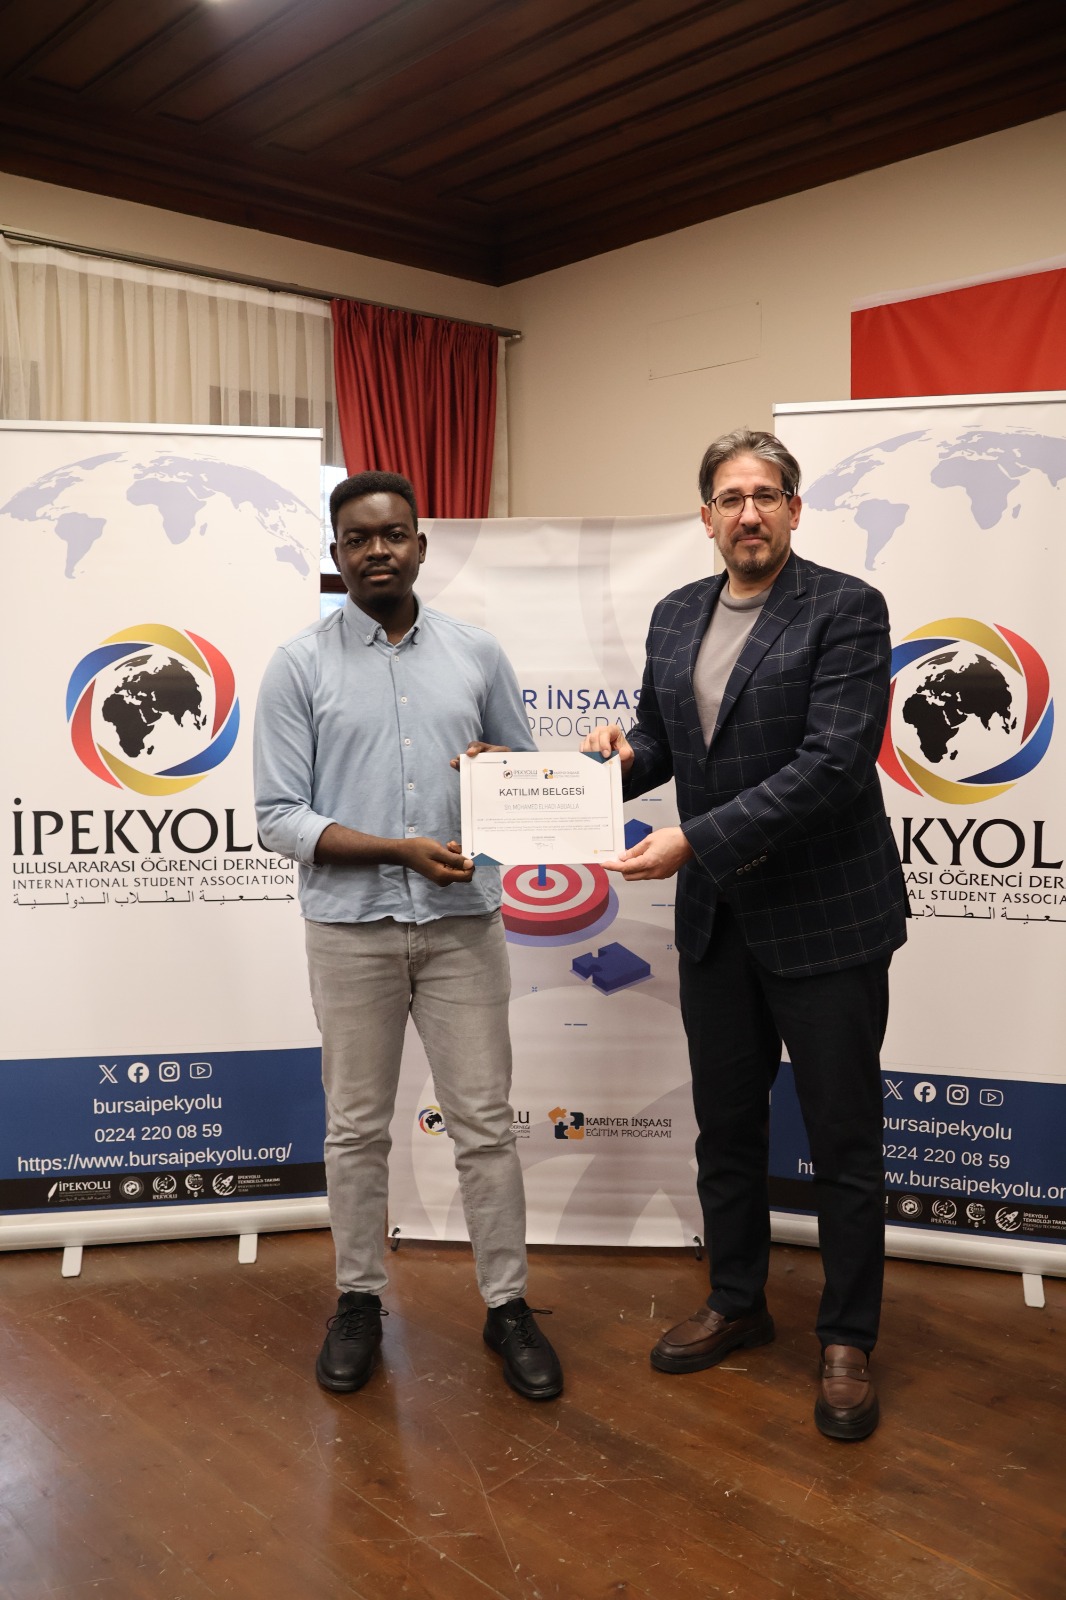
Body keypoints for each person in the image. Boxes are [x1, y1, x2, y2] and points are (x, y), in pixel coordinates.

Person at [582, 429, 907, 1440]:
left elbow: (833, 764)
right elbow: (659, 743)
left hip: (826, 919)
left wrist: (695, 841)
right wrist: (603, 764)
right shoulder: (677, 613)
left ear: (794, 511)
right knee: (726, 1128)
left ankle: (846, 1338)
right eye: (730, 498)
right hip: (718, 922)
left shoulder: (846, 608)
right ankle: (737, 1301)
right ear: (706, 517)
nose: (749, 513)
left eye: (767, 495)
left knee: (843, 1140)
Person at [253, 469, 562, 1403]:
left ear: (421, 546)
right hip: (350, 933)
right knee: (355, 1131)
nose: (377, 550)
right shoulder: (298, 666)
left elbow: (525, 782)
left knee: (486, 1127)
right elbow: (277, 818)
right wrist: (397, 850)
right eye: (358, 538)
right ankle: (358, 1300)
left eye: (393, 534)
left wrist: (501, 773)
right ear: (336, 554)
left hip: (464, 930)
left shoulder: (477, 653)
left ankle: (507, 1306)